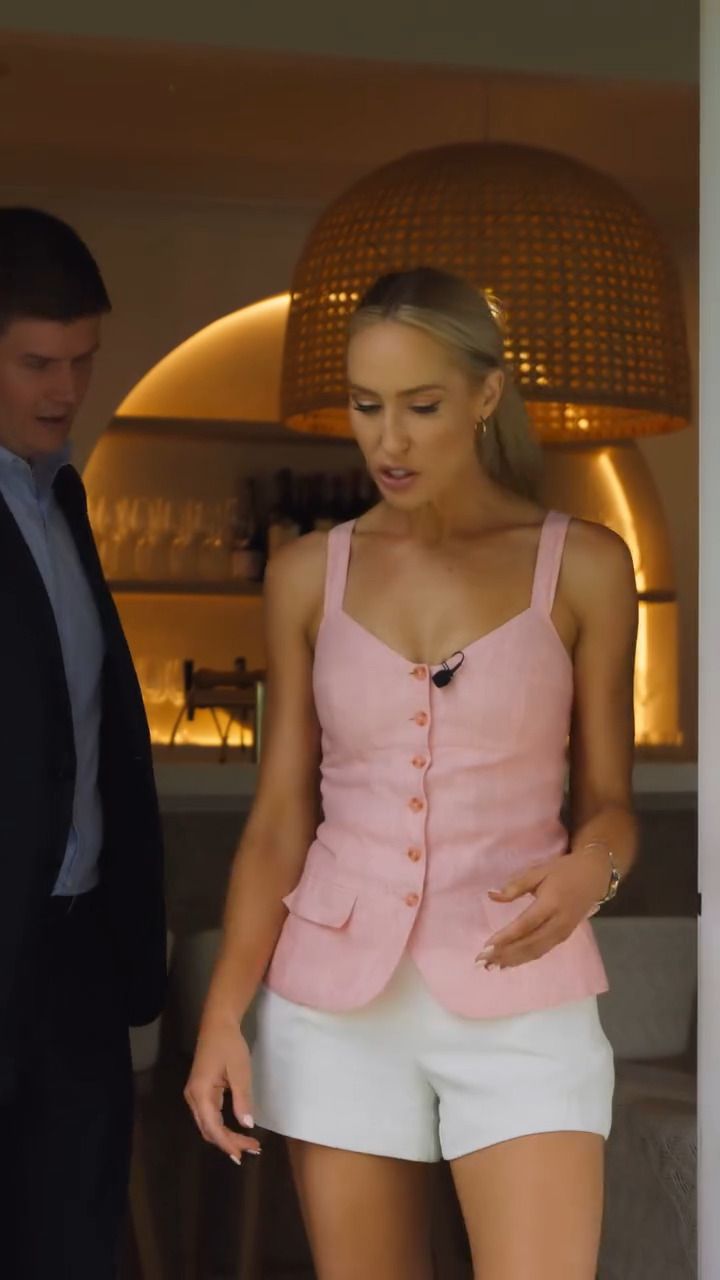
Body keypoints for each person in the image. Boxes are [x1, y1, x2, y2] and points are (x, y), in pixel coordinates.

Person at [186, 266, 638, 1279]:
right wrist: (224, 1013)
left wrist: (592, 870)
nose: (388, 441)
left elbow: (612, 802)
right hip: (334, 1008)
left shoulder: (586, 565)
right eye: (366, 405)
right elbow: (279, 820)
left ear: (486, 394)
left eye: (422, 406)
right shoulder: (307, 574)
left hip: (523, 994)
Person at [0, 207, 166, 1279]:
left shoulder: (63, 494)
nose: (66, 389)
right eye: (36, 363)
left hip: (75, 959)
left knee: (73, 1248)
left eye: (82, 360)